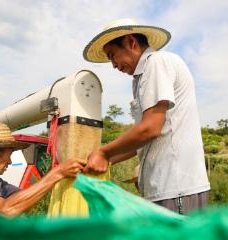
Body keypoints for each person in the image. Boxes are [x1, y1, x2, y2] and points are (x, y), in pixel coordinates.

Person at [82, 18, 210, 214]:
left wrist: (103, 153)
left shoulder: (156, 63)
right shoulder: (140, 78)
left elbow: (150, 128)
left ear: (131, 42)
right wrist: (105, 160)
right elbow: (141, 141)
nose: (114, 65)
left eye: (112, 55)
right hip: (166, 190)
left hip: (176, 189)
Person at [0, 121, 86, 217]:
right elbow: (5, 210)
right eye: (10, 154)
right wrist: (57, 173)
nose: (10, 161)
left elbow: (25, 201)